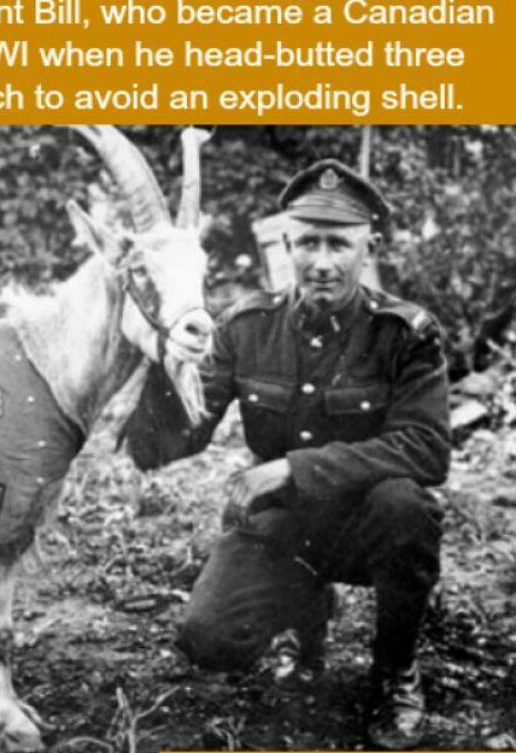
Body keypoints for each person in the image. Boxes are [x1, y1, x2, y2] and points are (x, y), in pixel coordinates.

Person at [120, 159, 451, 749]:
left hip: (367, 522)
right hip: (283, 527)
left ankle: (395, 673)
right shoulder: (247, 325)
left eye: (339, 245)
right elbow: (177, 438)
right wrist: (158, 361)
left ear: (368, 247)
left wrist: (294, 469)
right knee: (208, 639)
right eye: (308, 243)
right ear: (286, 243)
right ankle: (309, 612)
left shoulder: (405, 333)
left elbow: (427, 448)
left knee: (406, 506)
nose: (322, 262)